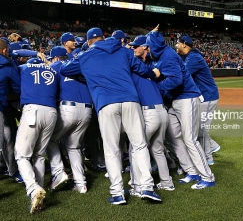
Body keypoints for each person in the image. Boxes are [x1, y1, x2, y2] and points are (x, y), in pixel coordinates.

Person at [60, 28, 162, 204]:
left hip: (105, 103)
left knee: (112, 149)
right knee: (139, 145)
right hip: (131, 100)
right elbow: (142, 69)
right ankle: (147, 187)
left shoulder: (85, 55)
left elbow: (65, 70)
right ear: (103, 37)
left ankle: (118, 193)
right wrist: (154, 73)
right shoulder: (123, 50)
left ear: (89, 41)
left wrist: (90, 75)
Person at [143, 31, 216, 190]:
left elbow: (176, 80)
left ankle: (207, 177)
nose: (147, 50)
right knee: (171, 136)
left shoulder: (168, 56)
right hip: (175, 100)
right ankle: (192, 171)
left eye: (148, 46)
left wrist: (156, 89)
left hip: (187, 98)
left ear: (154, 46)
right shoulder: (161, 56)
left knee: (190, 139)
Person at [128, 35, 174, 195]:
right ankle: (167, 182)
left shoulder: (134, 71)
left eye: (135, 47)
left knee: (136, 148)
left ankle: (138, 185)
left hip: (149, 113)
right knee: (157, 149)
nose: (133, 49)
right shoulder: (148, 70)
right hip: (162, 112)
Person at [15, 57, 59, 214]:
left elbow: (15, 85)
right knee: (39, 155)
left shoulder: (24, 68)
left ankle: (34, 189)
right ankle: (38, 193)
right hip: (52, 112)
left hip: (33, 110)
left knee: (22, 155)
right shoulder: (53, 70)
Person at [47, 46, 93, 194]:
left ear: (54, 58)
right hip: (87, 110)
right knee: (74, 147)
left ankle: (58, 173)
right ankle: (81, 184)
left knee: (50, 140)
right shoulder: (79, 66)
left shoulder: (55, 66)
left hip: (67, 108)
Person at [176, 35, 220, 165]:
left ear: (184, 44)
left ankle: (208, 156)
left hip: (207, 96)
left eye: (178, 43)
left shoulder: (194, 58)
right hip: (203, 96)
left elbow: (183, 74)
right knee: (199, 128)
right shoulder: (188, 56)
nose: (176, 46)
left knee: (201, 128)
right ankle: (211, 147)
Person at [0, 39, 21, 177]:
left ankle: (11, 170)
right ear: (4, 50)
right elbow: (17, 88)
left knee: (6, 137)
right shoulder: (7, 65)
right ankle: (12, 171)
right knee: (5, 139)